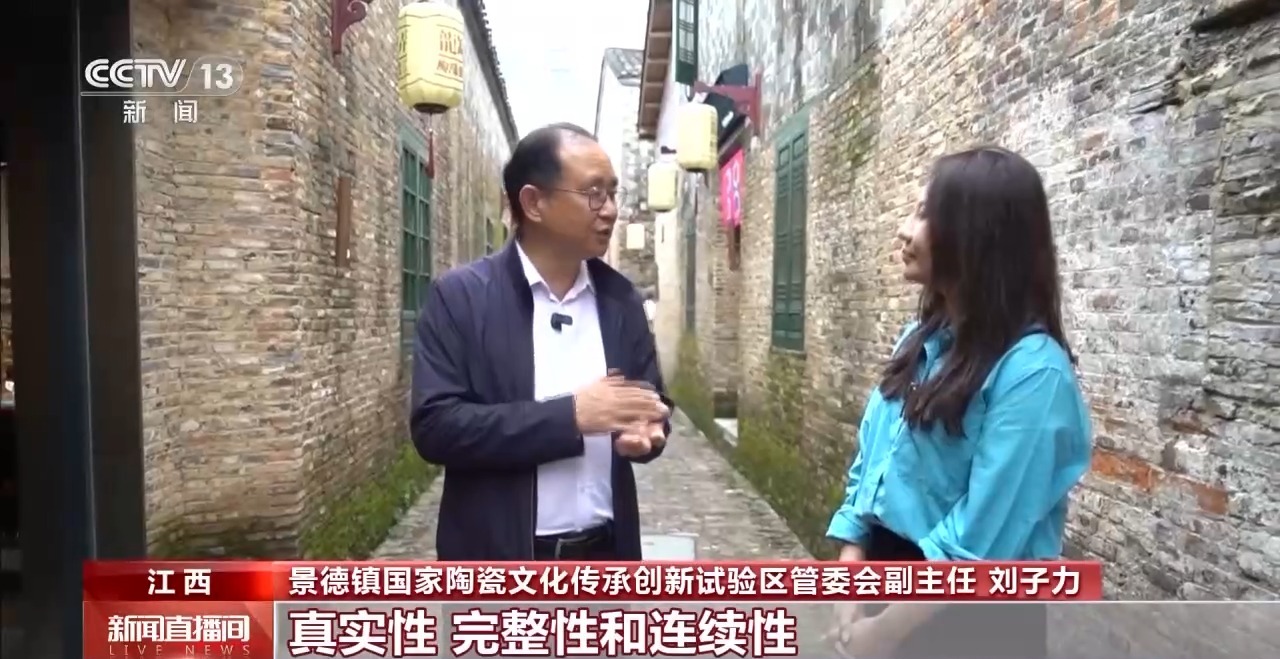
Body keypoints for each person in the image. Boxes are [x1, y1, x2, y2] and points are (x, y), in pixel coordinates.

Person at [826, 146, 1092, 659]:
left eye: (924, 215)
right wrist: (850, 579)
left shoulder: (1034, 374)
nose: (904, 230)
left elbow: (981, 542)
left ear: (976, 234)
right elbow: (870, 468)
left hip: (967, 620)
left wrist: (884, 633)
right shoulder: (917, 341)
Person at [411, 122, 672, 562]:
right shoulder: (461, 298)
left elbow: (652, 399)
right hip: (498, 560)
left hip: (605, 556)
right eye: (593, 194)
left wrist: (649, 431)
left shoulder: (621, 299)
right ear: (533, 202)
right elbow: (436, 428)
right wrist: (571, 416)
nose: (610, 210)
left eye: (613, 193)